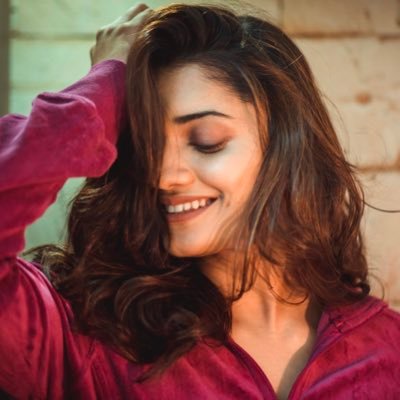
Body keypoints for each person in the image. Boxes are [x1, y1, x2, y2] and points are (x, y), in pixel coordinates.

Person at [0, 3, 399, 399]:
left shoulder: (388, 351)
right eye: (147, 146)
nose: (163, 176)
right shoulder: (81, 338)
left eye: (206, 142)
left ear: (286, 146)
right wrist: (105, 84)